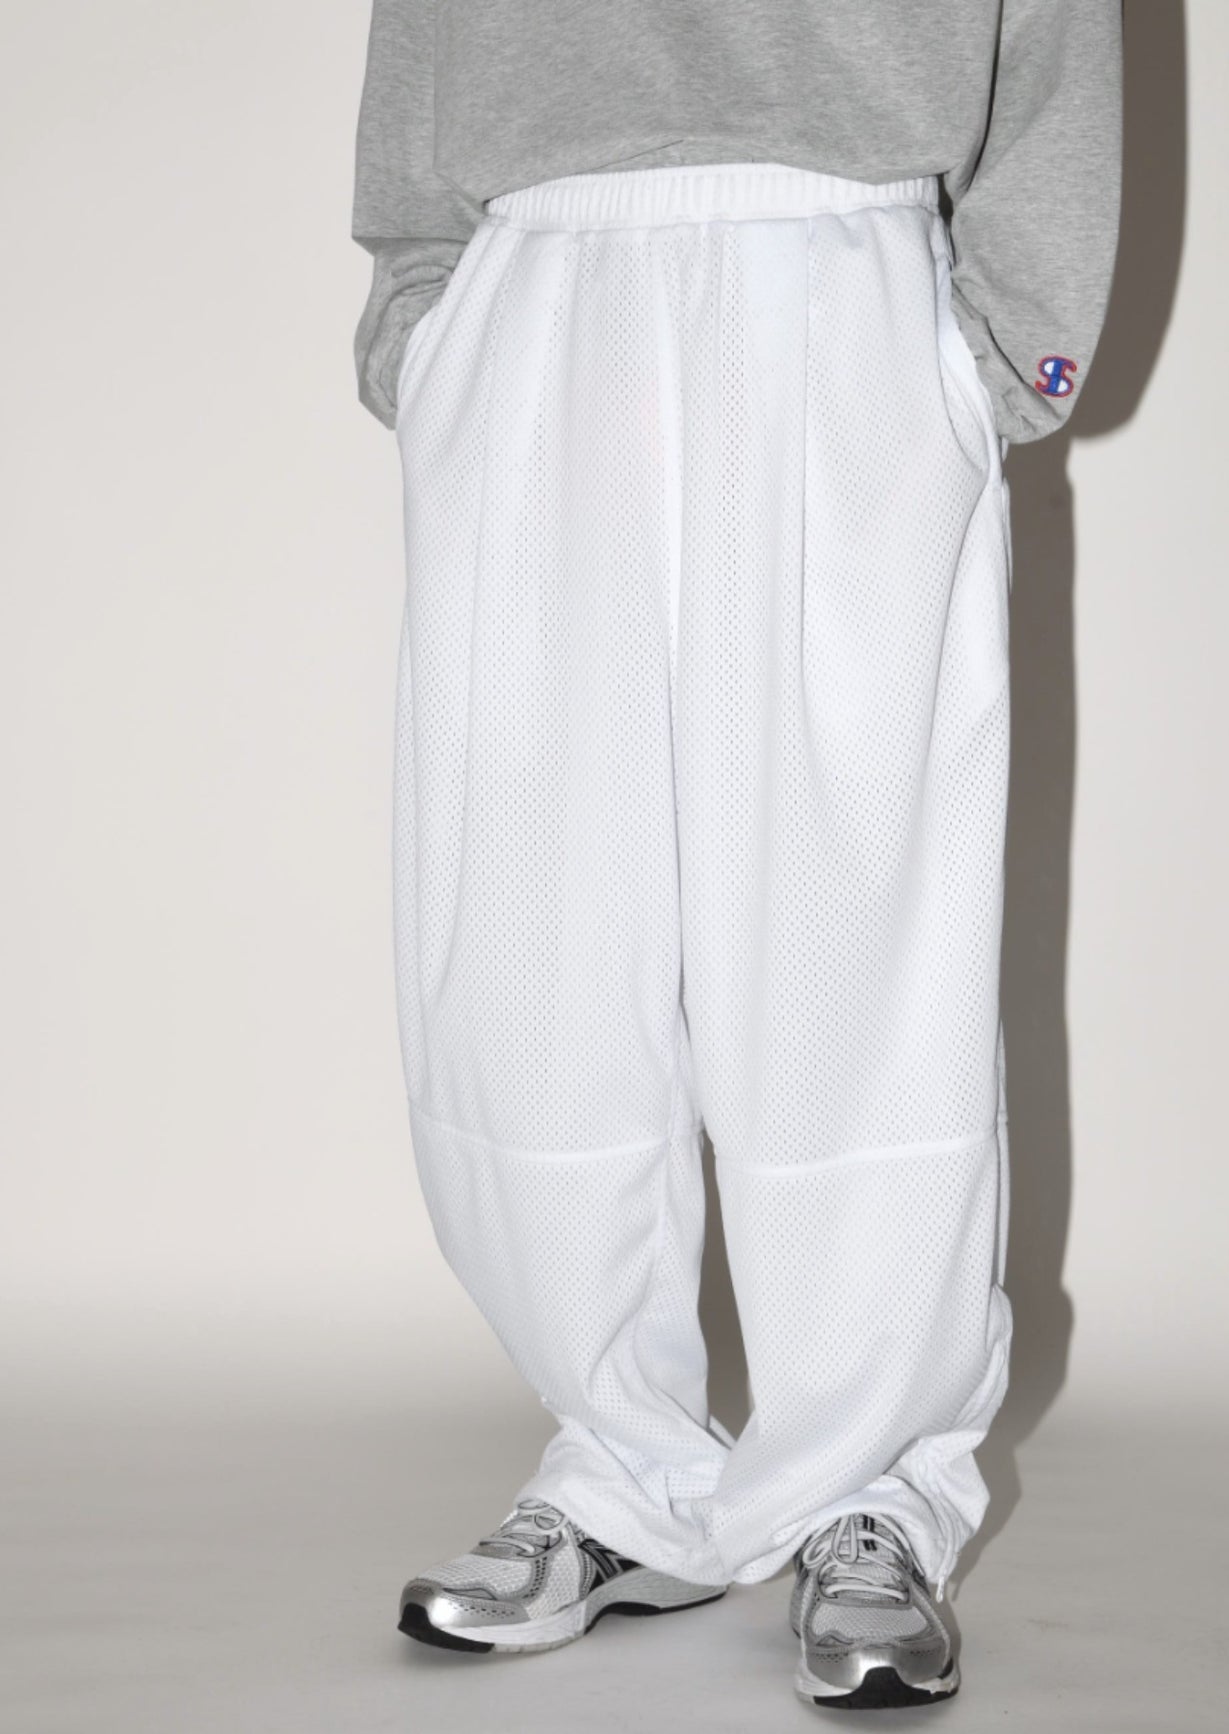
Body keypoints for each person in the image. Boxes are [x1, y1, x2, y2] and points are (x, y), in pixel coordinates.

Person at [351, 0, 1121, 1711]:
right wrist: (425, 316)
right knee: (533, 938)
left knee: (857, 934)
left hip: (843, 275)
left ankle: (873, 1490)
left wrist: (1006, 355)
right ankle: (621, 1464)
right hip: (536, 288)